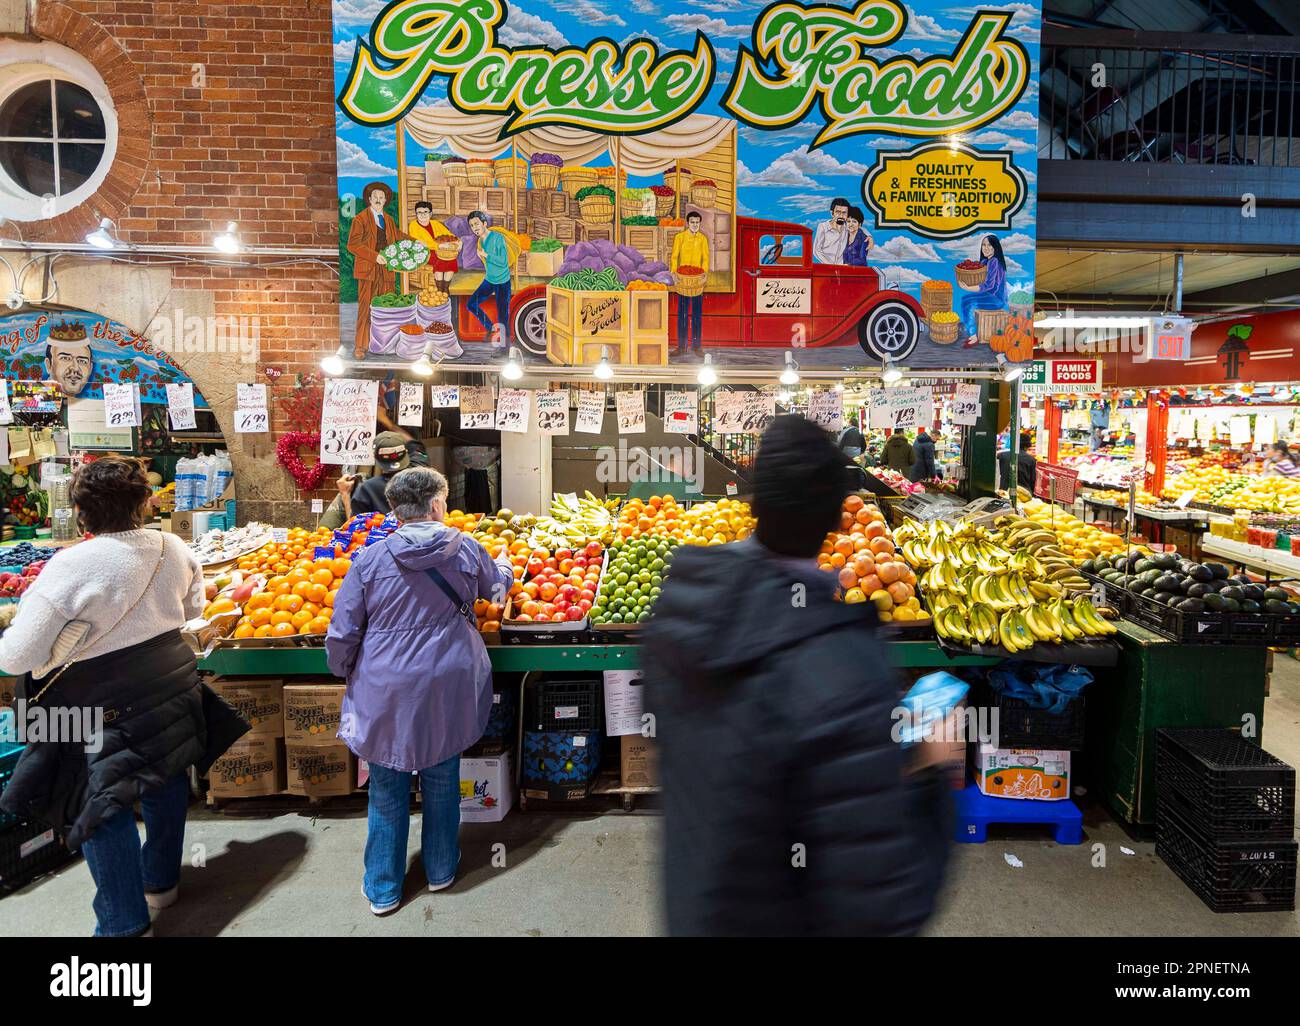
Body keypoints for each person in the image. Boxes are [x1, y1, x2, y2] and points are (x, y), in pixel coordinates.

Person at [643, 416, 952, 936]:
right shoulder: (843, 667)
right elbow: (883, 900)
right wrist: (933, 773)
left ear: (754, 504)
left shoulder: (681, 613)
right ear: (839, 516)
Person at [0, 456, 248, 937]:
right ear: (144, 501)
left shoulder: (70, 564)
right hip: (169, 684)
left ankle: (123, 925)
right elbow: (191, 609)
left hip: (92, 706)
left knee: (97, 803)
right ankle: (161, 882)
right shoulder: (171, 547)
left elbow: (16, 658)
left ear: (80, 510)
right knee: (165, 777)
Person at [325, 466, 516, 914]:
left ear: (394, 510)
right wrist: (503, 564)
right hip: (448, 681)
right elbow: (496, 592)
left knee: (387, 787)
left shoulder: (369, 559)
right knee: (443, 777)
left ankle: (384, 888)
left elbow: (342, 632)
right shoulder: (466, 547)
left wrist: (344, 671)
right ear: (436, 505)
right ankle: (441, 870)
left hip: (386, 686)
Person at [347, 181, 405, 359]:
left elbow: (398, 236)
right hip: (369, 270)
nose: (379, 200)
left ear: (386, 200)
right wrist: (374, 256)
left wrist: (417, 242)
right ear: (369, 199)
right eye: (375, 197)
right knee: (366, 307)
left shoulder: (388, 219)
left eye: (382, 197)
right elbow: (353, 245)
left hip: (387, 270)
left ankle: (385, 343)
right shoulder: (360, 219)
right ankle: (361, 346)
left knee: (387, 306)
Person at [332, 431, 413, 525]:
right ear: (406, 453)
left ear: (375, 457)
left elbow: (356, 526)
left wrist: (345, 494)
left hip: (378, 539)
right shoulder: (423, 483)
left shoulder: (366, 489)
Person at [465, 211, 511, 350]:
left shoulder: (498, 238)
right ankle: (491, 327)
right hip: (490, 279)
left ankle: (505, 348)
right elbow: (488, 263)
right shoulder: (480, 240)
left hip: (502, 281)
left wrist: (486, 255)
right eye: (472, 225)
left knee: (502, 316)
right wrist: (482, 258)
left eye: (477, 224)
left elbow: (503, 262)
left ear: (485, 223)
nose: (475, 228)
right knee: (471, 304)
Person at [670, 209, 709, 358]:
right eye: (692, 222)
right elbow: (674, 257)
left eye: (697, 222)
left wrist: (704, 274)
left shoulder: (703, 239)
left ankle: (697, 346)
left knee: (697, 316)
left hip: (697, 280)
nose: (694, 225)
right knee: (683, 315)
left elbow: (705, 258)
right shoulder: (680, 237)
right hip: (683, 280)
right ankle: (681, 347)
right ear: (687, 223)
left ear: (700, 223)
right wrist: (674, 273)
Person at [958, 234, 1009, 348]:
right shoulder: (987, 261)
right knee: (964, 299)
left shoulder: (994, 261)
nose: (985, 248)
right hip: (989, 296)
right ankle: (972, 333)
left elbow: (989, 285)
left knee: (970, 302)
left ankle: (973, 336)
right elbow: (977, 271)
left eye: (989, 245)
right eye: (983, 245)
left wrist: (968, 288)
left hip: (996, 299)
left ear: (995, 247)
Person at [406, 200, 458, 291]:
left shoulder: (435, 224)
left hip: (439, 250)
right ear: (416, 214)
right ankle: (439, 288)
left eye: (425, 212)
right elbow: (422, 243)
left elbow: (449, 235)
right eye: (419, 212)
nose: (422, 215)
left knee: (451, 259)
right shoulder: (413, 226)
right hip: (423, 251)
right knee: (440, 260)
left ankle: (445, 288)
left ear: (430, 214)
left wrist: (457, 241)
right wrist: (439, 246)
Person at [812, 197, 849, 265]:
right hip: (827, 268)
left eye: (844, 213)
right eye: (838, 212)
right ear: (832, 213)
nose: (841, 215)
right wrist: (831, 266)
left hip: (842, 269)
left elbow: (860, 229)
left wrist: (869, 237)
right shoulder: (823, 227)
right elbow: (816, 250)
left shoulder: (848, 228)